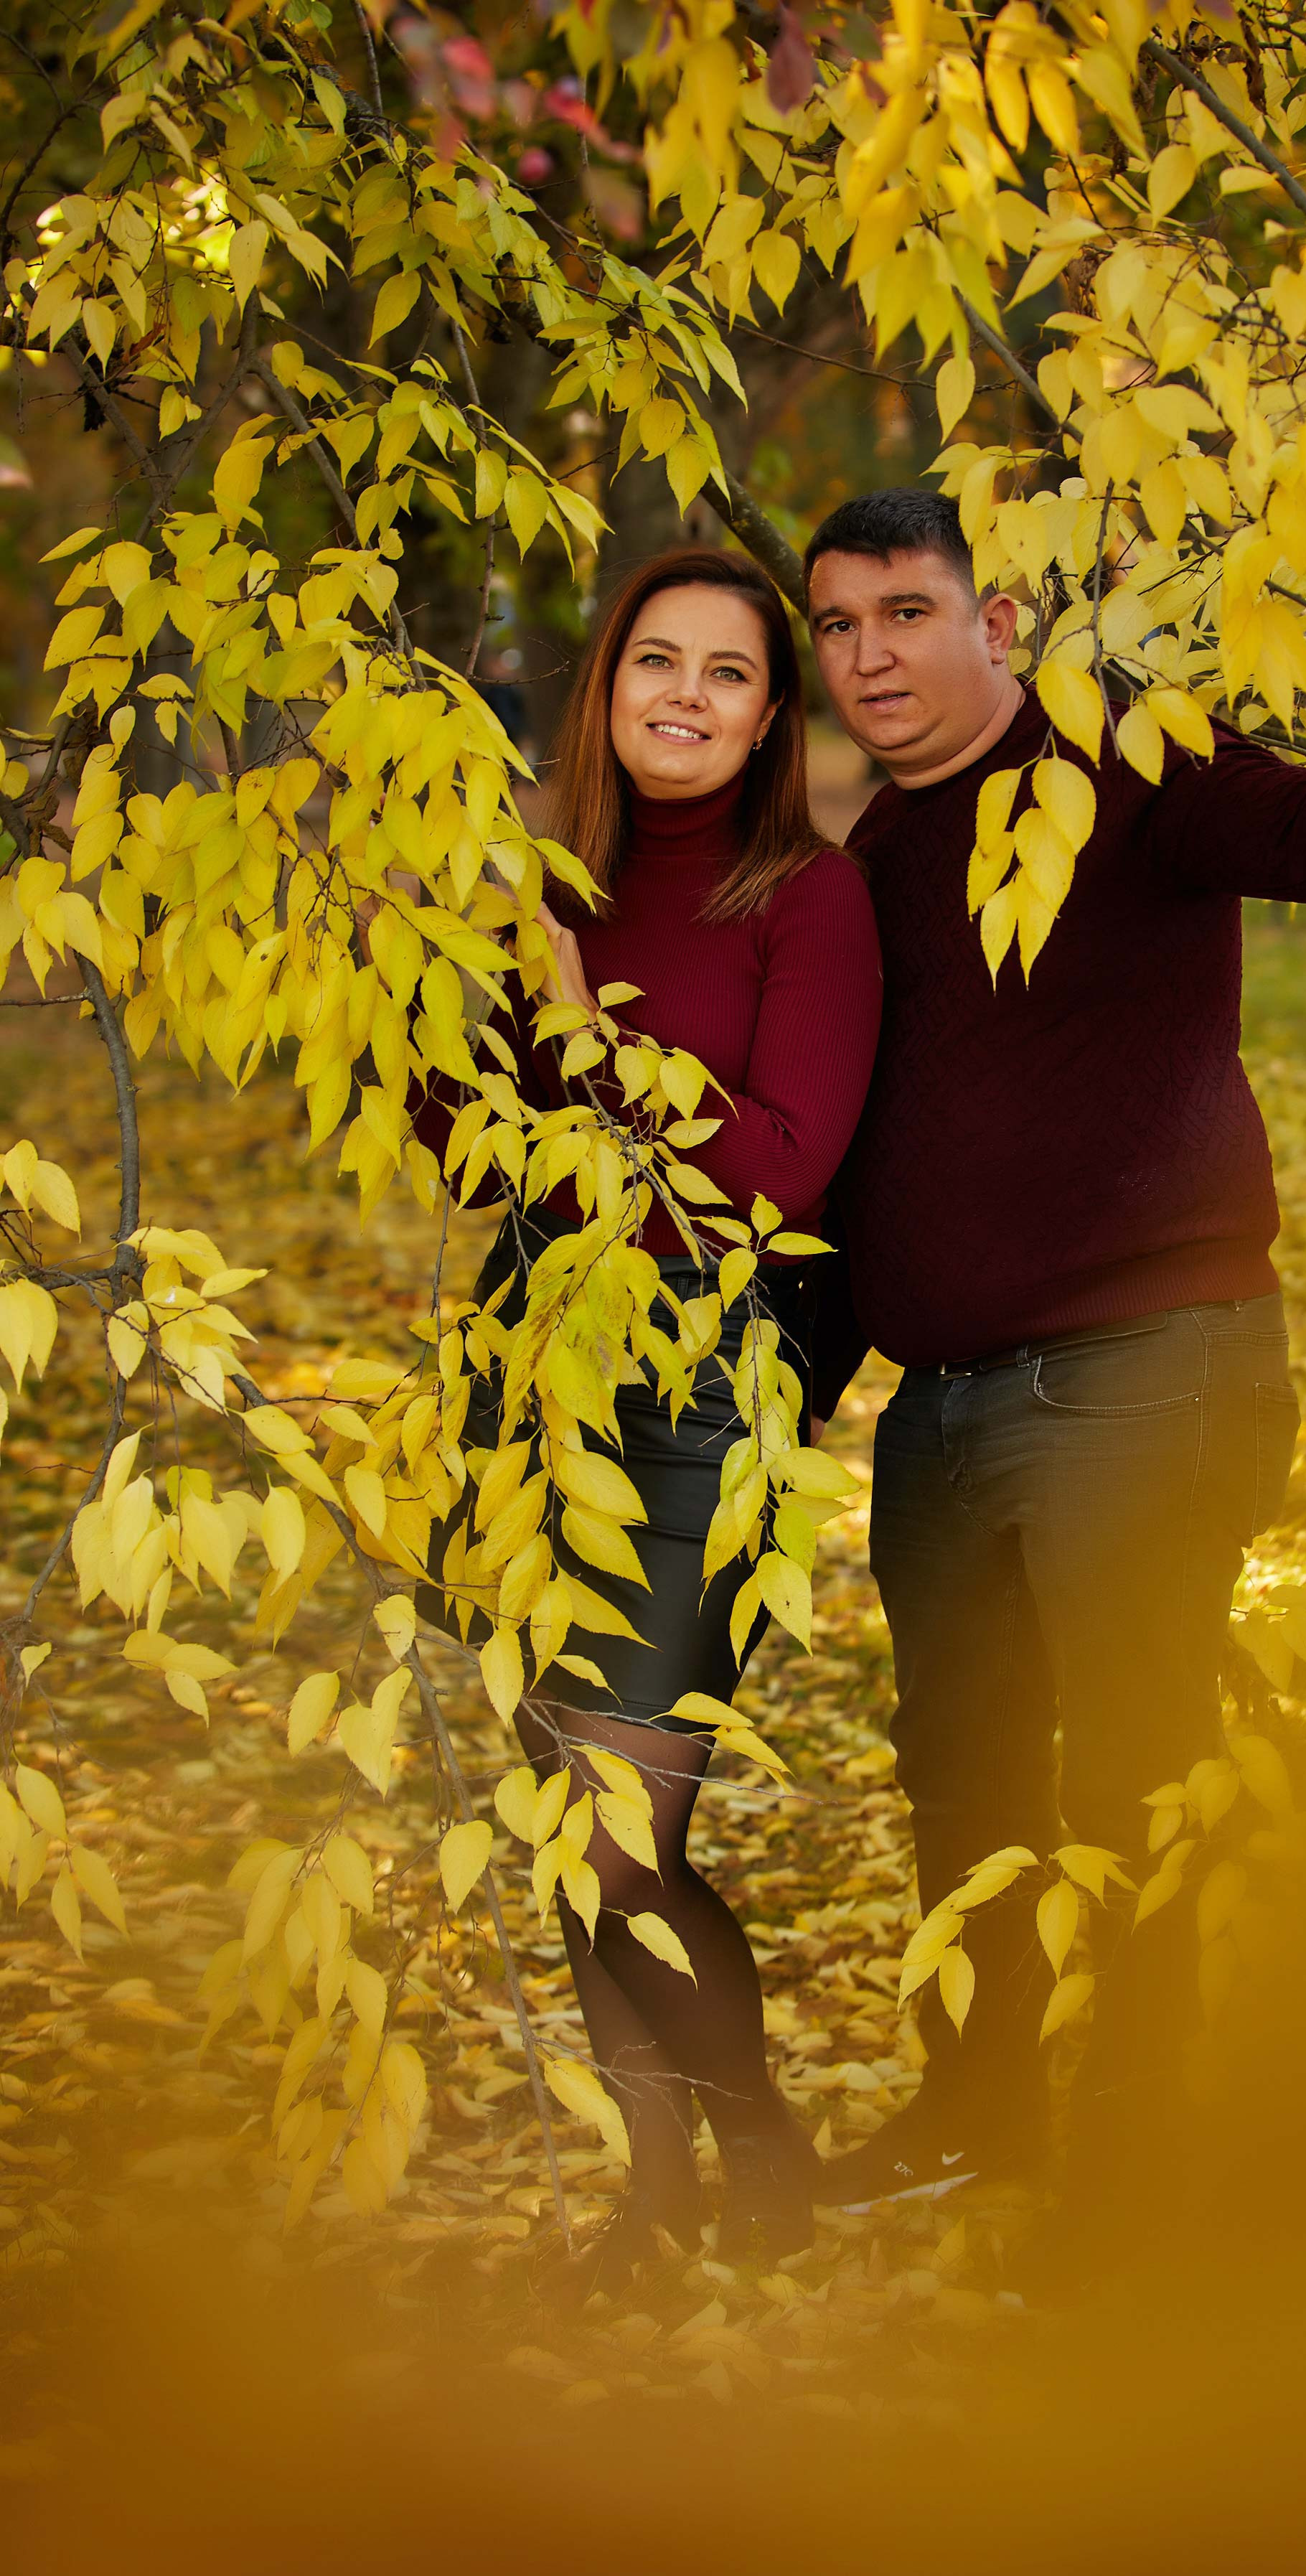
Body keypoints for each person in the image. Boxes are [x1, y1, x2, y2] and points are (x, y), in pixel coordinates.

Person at [799, 488, 1306, 2275]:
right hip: (944, 1409)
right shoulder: (879, 847)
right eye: (840, 624)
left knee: (1135, 1779)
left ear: (994, 622)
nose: (870, 656)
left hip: (1145, 1371)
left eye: (906, 613)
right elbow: (875, 1143)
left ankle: (1145, 2165)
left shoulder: (1122, 753)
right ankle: (982, 2110)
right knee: (964, 1774)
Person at [405, 548, 881, 2279]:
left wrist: (570, 1014)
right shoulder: (547, 888)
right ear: (606, 687)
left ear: (768, 717)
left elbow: (771, 1176)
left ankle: (766, 2160)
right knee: (569, 1824)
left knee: (623, 1838)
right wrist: (428, 982)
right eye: (654, 661)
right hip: (534, 1375)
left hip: (705, 1385)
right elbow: (473, 1154)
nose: (685, 695)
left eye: (727, 672)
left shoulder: (809, 900)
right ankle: (656, 2198)